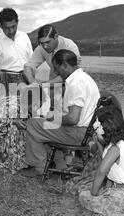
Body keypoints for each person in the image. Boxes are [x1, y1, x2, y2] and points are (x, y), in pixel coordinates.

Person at [22, 49, 100, 177]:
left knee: (33, 123)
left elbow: (73, 119)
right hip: (89, 131)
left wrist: (51, 117)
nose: (56, 72)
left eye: (57, 68)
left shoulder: (76, 84)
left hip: (78, 133)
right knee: (44, 123)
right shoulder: (85, 78)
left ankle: (38, 167)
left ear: (65, 65)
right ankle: (60, 165)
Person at [0, 8, 33, 91]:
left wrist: (31, 78)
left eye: (13, 26)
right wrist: (11, 80)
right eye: (7, 28)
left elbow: (31, 59)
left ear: (17, 22)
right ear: (0, 26)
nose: (11, 31)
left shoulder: (24, 36)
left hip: (28, 77)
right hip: (8, 81)